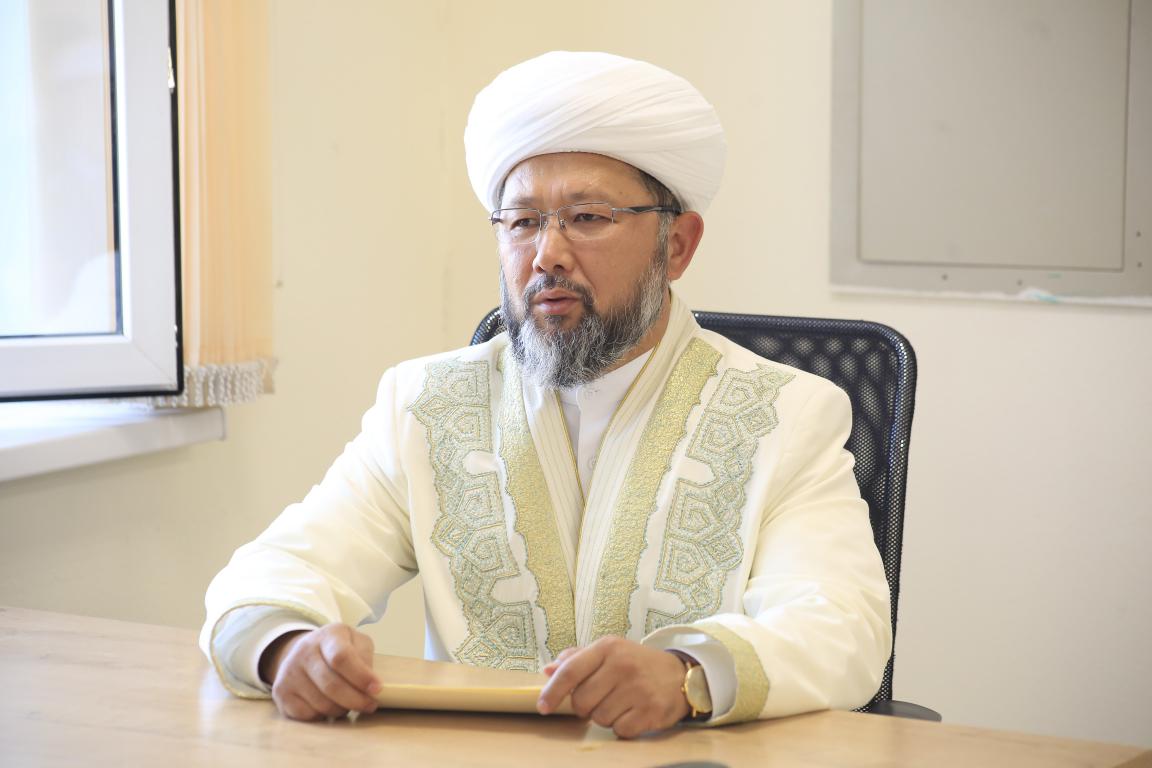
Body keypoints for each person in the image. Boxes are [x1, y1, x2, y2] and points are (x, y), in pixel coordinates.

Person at [201, 50, 892, 739]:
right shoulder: (426, 405)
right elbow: (280, 570)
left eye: (586, 217)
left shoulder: (787, 413)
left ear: (677, 245)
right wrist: (287, 648)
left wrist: (689, 675)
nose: (546, 255)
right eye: (522, 221)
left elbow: (842, 627)